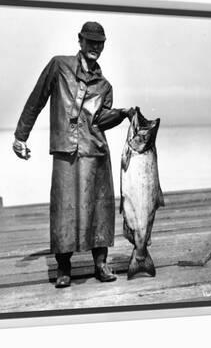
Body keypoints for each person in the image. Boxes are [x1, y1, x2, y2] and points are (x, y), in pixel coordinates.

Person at [13, 21, 135, 288]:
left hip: (96, 152)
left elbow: (100, 120)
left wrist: (122, 115)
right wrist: (20, 136)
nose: (95, 47)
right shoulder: (59, 66)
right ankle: (64, 268)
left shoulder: (105, 86)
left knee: (100, 207)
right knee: (63, 208)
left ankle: (101, 264)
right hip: (65, 149)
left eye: (99, 43)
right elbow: (36, 100)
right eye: (90, 41)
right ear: (79, 41)